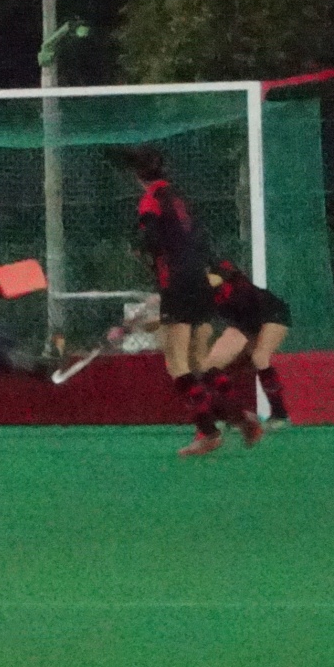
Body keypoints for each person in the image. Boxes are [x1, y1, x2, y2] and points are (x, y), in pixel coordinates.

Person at [118, 147, 220, 456]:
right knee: (197, 359)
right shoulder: (180, 197)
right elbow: (200, 238)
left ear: (138, 176)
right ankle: (236, 417)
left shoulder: (150, 200)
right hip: (200, 278)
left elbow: (150, 239)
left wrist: (138, 250)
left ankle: (209, 431)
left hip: (177, 282)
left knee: (176, 363)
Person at [201, 259, 292, 442]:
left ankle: (280, 415)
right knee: (211, 365)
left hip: (271, 313)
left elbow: (216, 280)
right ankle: (231, 416)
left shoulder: (217, 266)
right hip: (242, 322)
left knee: (259, 357)